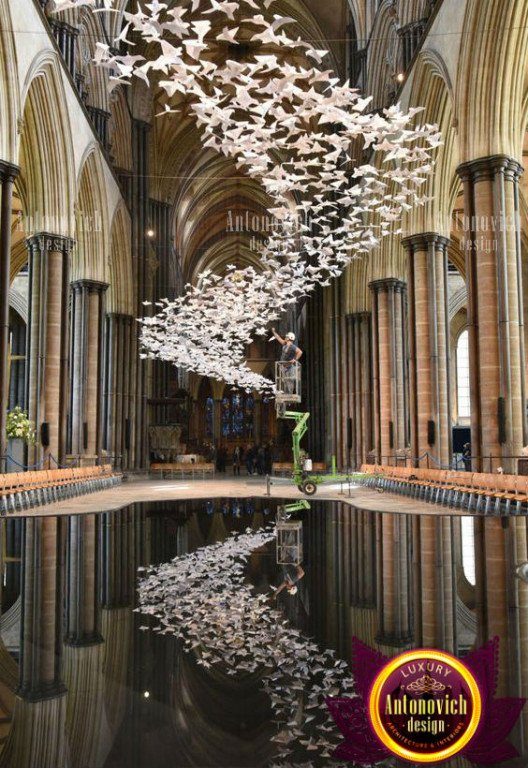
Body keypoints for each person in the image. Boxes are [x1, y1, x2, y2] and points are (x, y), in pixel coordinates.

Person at [271, 328, 303, 395]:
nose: (285, 337)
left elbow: (300, 352)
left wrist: (294, 359)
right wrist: (274, 332)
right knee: (284, 380)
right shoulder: (285, 344)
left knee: (289, 381)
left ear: (289, 338)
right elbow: (278, 338)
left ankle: (289, 394)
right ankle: (285, 393)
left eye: (286, 337)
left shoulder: (292, 347)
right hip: (283, 366)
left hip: (289, 367)